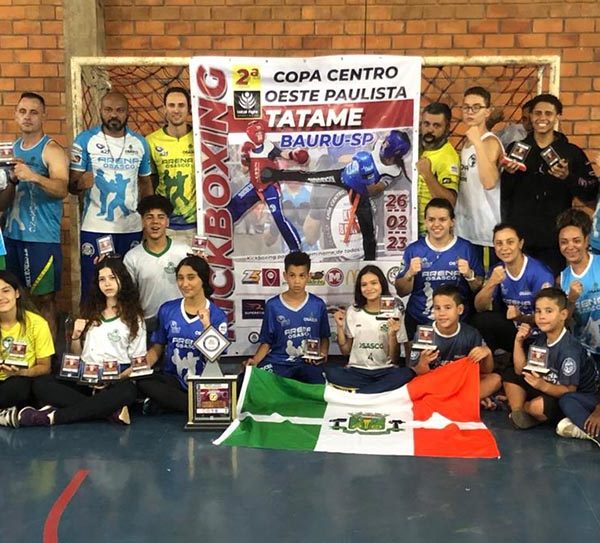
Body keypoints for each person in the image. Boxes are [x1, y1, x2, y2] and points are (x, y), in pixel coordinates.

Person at [16, 258, 144, 427]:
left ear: (123, 279)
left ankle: (53, 417)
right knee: (42, 385)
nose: (107, 284)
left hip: (116, 378)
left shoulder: (134, 318)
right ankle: (109, 412)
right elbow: (77, 355)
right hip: (86, 375)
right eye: (102, 279)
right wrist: (76, 336)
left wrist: (114, 378)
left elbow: (137, 364)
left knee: (128, 391)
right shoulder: (91, 311)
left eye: (112, 278)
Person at [268, 130, 411, 260]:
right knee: (310, 177)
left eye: (388, 144)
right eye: (385, 141)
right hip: (344, 175)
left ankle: (369, 265)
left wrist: (366, 178)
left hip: (360, 191)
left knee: (368, 232)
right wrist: (355, 161)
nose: (384, 144)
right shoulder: (377, 144)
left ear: (396, 151)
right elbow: (355, 155)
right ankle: (275, 175)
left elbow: (375, 190)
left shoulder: (393, 171)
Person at [502, 94, 599, 276]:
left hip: (554, 240)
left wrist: (568, 177)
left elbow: (591, 191)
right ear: (530, 116)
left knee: (552, 290)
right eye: (537, 113)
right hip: (520, 239)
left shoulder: (571, 152)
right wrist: (509, 174)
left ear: (557, 117)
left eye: (548, 113)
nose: (542, 118)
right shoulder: (516, 149)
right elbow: (504, 194)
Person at [69, 91, 153, 300]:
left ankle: (129, 321)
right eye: (108, 110)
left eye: (119, 110)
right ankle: (90, 321)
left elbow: (145, 183)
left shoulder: (140, 142)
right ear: (100, 111)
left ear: (127, 112)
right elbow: (71, 185)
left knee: (128, 285)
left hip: (131, 227)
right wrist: (80, 183)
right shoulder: (85, 140)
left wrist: (148, 219)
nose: (113, 115)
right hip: (95, 227)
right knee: (94, 285)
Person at [0, 92, 69, 338]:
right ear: (15, 115)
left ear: (43, 116)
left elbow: (62, 189)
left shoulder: (51, 150)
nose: (27, 117)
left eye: (33, 112)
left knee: (44, 300)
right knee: (12, 299)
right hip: (11, 238)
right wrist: (11, 181)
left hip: (41, 239)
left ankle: (47, 358)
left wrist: (33, 176)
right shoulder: (9, 152)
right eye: (22, 111)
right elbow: (2, 204)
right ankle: (18, 352)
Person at [138, 256, 228, 414]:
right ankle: (197, 406)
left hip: (202, 381)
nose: (185, 284)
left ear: (203, 279)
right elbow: (157, 348)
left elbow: (215, 358)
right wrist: (140, 367)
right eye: (180, 278)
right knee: (143, 381)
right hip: (173, 381)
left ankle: (177, 404)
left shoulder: (217, 315)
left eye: (191, 277)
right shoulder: (167, 309)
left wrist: (207, 325)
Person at [504, 287, 597, 429]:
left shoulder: (569, 350)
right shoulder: (542, 339)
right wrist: (518, 342)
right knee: (510, 374)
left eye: (548, 311)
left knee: (537, 407)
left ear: (563, 314)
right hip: (547, 385)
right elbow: (519, 370)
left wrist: (542, 385)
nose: (542, 316)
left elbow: (569, 390)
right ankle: (519, 412)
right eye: (538, 311)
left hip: (573, 396)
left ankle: (525, 409)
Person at [395, 198, 484, 339]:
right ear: (425, 221)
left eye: (442, 219)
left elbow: (478, 288)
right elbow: (401, 291)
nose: (436, 224)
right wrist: (409, 274)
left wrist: (470, 275)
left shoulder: (466, 248)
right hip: (420, 321)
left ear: (452, 222)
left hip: (459, 323)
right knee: (417, 354)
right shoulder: (414, 250)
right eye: (431, 219)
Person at [244, 251, 330, 384]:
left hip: (307, 363)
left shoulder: (318, 305)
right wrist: (255, 361)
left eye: (301, 276)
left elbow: (324, 337)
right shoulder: (273, 305)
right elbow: (266, 342)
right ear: (285, 276)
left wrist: (323, 354)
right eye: (292, 275)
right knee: (249, 381)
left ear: (308, 276)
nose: (297, 281)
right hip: (278, 362)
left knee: (318, 386)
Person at [473, 223, 554, 363]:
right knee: (481, 320)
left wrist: (520, 317)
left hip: (539, 333)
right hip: (515, 330)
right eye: (499, 243)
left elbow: (548, 318)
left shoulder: (540, 273)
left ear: (520, 244)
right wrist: (491, 283)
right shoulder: (497, 270)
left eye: (510, 242)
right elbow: (479, 307)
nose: (504, 248)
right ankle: (496, 358)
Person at [408, 284, 501, 406]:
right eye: (437, 308)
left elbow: (485, 371)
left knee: (495, 379)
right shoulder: (424, 333)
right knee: (413, 384)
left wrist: (487, 353)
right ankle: (462, 401)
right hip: (435, 383)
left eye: (447, 307)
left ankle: (449, 401)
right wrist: (423, 363)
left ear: (460, 309)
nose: (442, 313)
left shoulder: (471, 333)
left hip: (460, 383)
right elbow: (416, 373)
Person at [327, 265, 413, 393]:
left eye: (374, 283)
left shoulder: (395, 313)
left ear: (382, 285)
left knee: (406, 374)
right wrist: (340, 327)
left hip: (384, 371)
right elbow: (345, 351)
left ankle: (361, 393)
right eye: (364, 285)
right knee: (330, 371)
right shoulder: (353, 311)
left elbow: (394, 359)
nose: (369, 288)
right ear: (359, 288)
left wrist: (392, 335)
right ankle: (375, 391)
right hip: (357, 371)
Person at [228, 119, 309, 253]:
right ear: (250, 134)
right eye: (257, 133)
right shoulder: (246, 147)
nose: (260, 135)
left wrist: (295, 154)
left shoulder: (268, 146)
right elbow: (244, 170)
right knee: (231, 208)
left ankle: (295, 249)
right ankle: (220, 239)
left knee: (278, 217)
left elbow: (283, 154)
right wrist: (244, 158)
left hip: (270, 186)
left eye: (261, 132)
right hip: (254, 186)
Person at [123, 195, 189, 336]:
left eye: (161, 217)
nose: (155, 222)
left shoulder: (184, 251)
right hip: (147, 326)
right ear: (142, 221)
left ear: (167, 221)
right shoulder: (132, 257)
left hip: (180, 323)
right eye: (149, 217)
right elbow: (128, 296)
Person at [454, 86, 504, 270]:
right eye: (466, 107)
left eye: (476, 107)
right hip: (465, 229)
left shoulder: (490, 141)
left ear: (487, 111)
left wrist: (477, 142)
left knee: (485, 283)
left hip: (485, 232)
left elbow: (489, 182)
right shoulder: (467, 142)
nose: (470, 112)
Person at [0, 271, 54, 427]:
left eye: (6, 291)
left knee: (20, 387)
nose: (1, 297)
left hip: (21, 380)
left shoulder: (37, 323)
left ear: (17, 293)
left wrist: (21, 372)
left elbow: (45, 367)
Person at [146, 87, 196, 244]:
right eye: (171, 105)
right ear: (164, 108)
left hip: (197, 224)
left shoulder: (200, 138)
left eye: (181, 105)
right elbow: (148, 182)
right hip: (165, 225)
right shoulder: (151, 141)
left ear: (189, 108)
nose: (176, 110)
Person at [557, 208, 600, 366]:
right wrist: (571, 300)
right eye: (564, 242)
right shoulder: (561, 280)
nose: (570, 247)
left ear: (586, 241)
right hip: (586, 354)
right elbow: (563, 322)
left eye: (576, 240)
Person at [416, 102, 460, 236]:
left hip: (430, 231)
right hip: (407, 227)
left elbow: (450, 201)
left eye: (436, 126)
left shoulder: (448, 157)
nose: (430, 130)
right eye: (426, 124)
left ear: (447, 128)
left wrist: (427, 175)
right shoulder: (414, 147)